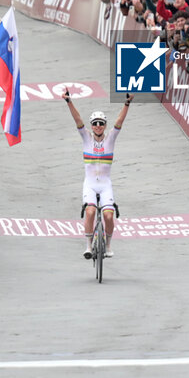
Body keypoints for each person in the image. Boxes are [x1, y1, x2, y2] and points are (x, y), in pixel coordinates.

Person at [63, 90, 133, 259]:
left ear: (105, 125)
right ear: (92, 125)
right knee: (90, 212)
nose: (98, 126)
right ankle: (88, 246)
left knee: (108, 216)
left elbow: (119, 122)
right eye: (95, 123)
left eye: (101, 123)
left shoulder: (110, 139)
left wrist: (127, 103)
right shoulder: (86, 137)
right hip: (90, 184)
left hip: (105, 184)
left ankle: (108, 245)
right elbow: (78, 120)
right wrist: (69, 101)